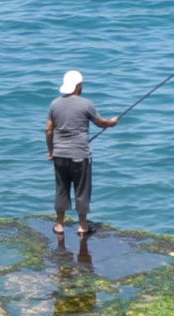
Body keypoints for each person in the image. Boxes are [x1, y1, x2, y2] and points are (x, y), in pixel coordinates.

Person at [46, 70, 119, 236]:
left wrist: (51, 151)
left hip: (59, 154)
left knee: (61, 189)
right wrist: (112, 123)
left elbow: (48, 129)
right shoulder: (86, 104)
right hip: (80, 154)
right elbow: (100, 123)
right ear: (78, 86)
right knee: (82, 189)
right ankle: (82, 226)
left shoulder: (54, 104)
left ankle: (59, 225)